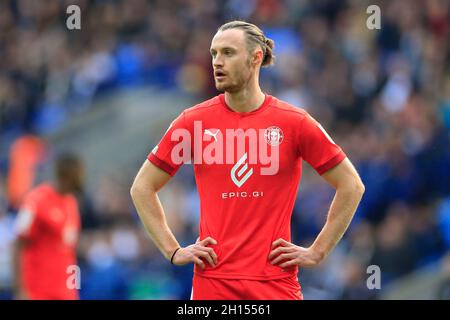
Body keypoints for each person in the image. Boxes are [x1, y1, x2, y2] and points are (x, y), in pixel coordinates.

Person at [130, 20, 365, 300]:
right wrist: (173, 251)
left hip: (275, 284)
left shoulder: (294, 123)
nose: (217, 62)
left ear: (255, 58)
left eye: (228, 53)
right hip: (213, 284)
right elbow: (142, 187)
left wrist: (318, 251)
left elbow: (351, 185)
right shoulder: (192, 123)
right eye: (214, 53)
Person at [13, 153, 83, 300]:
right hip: (38, 290)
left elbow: (69, 247)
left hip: (66, 289)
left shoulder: (72, 203)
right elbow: (18, 243)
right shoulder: (36, 200)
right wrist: (20, 289)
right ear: (65, 177)